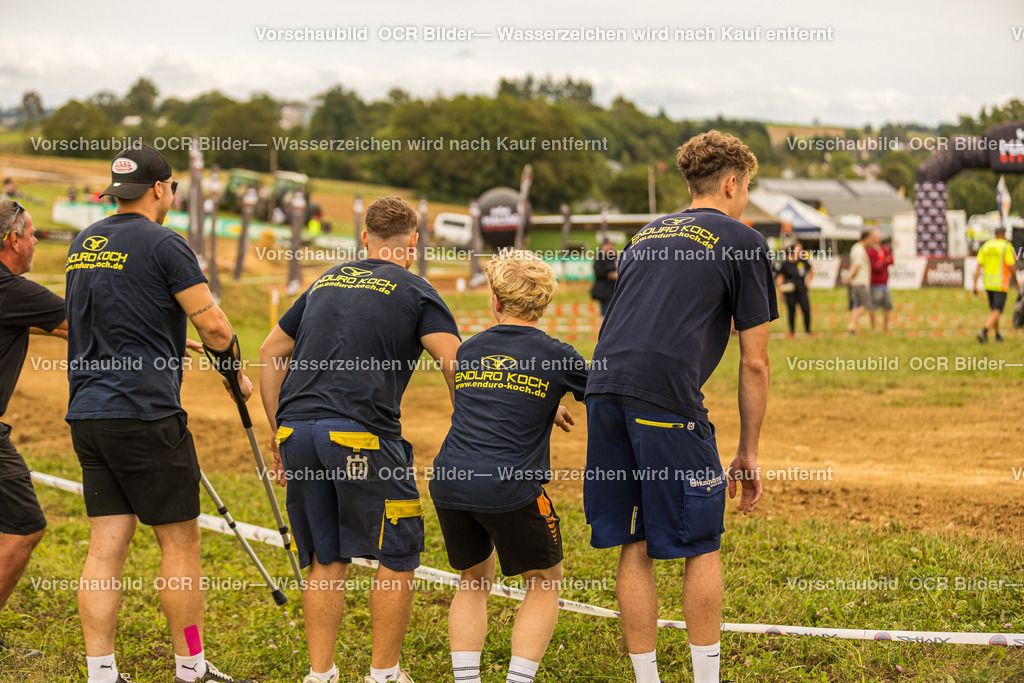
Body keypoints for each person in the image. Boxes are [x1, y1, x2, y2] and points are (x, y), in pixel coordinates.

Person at [584, 130, 776, 683]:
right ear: (732, 184)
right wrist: (747, 451)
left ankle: (647, 677)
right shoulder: (742, 240)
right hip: (665, 396)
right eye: (746, 190)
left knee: (634, 541)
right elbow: (755, 361)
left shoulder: (646, 235)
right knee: (701, 544)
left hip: (606, 388)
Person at [64, 145, 254, 683]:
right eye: (170, 189)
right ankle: (190, 666)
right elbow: (214, 325)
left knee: (105, 546)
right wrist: (233, 370)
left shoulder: (85, 241)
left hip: (88, 413)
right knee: (181, 545)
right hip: (145, 413)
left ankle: (100, 671)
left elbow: (115, 311)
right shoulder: (166, 242)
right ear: (160, 190)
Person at [259, 196, 462, 683]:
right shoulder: (417, 290)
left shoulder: (325, 281)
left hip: (298, 432)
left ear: (365, 239)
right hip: (360, 436)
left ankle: (320, 674)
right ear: (413, 242)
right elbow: (455, 361)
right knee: (396, 552)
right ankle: (384, 674)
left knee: (324, 557)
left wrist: (276, 429)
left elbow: (270, 351)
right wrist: (472, 421)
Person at [429, 249, 587, 683]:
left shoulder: (471, 349)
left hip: (450, 482)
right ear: (545, 303)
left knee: (472, 581)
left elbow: (491, 394)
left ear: (495, 302)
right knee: (544, 582)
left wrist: (542, 403)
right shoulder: (557, 354)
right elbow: (603, 397)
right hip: (510, 486)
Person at [0, 199, 67, 659]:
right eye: (32, 235)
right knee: (24, 524)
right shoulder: (12, 291)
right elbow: (87, 324)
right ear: (12, 240)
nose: (36, 243)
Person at [972, 226, 1018, 342]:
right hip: (1000, 283)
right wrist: (1016, 281)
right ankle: (984, 331)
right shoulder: (1006, 246)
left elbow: (978, 267)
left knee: (994, 310)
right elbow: (1011, 266)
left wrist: (974, 284)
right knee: (998, 310)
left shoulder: (986, 246)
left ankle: (997, 335)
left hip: (988, 283)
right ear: (1003, 234)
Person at [773, 240, 813, 335]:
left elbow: (811, 271)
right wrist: (780, 291)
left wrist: (808, 282)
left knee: (806, 309)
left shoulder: (803, 261)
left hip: (802, 290)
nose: (800, 252)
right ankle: (792, 332)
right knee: (791, 311)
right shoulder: (785, 264)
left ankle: (808, 330)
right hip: (790, 291)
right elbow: (780, 278)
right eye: (798, 250)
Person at [865, 230, 894, 333]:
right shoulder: (869, 251)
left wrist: (882, 263)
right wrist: (884, 262)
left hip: (884, 283)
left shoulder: (883, 249)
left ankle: (886, 326)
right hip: (874, 283)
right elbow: (875, 267)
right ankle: (874, 327)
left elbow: (891, 259)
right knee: (873, 307)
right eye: (876, 236)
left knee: (887, 305)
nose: (878, 238)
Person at [845, 230, 871, 335]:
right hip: (859, 281)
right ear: (866, 238)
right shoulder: (859, 250)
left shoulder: (857, 249)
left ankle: (854, 327)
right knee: (864, 304)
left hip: (858, 281)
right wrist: (849, 278)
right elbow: (857, 266)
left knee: (857, 305)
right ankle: (852, 324)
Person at [591, 238, 619, 316]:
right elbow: (599, 272)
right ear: (604, 246)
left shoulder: (613, 257)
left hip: (613, 289)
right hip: (604, 290)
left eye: (612, 245)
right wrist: (610, 275)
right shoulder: (600, 257)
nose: (611, 247)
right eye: (609, 245)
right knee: (605, 313)